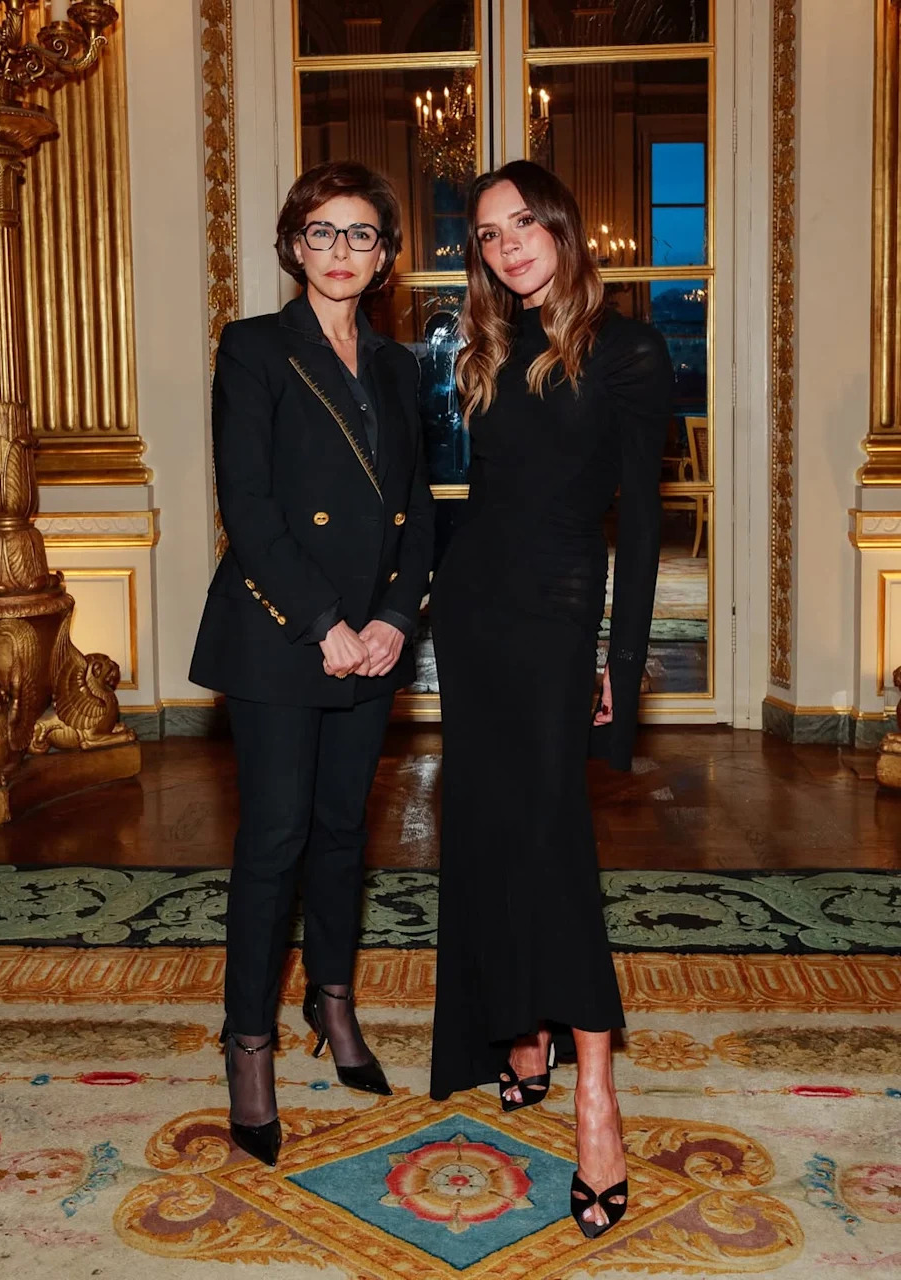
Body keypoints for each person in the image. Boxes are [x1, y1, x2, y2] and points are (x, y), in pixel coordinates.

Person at [429, 160, 673, 1239]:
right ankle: (515, 1029)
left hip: (561, 620)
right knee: (483, 829)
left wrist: (617, 656)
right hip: (473, 617)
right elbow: (483, 498)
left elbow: (644, 524)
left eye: (524, 222)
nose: (508, 243)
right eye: (488, 233)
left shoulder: (627, 348)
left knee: (553, 840)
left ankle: (594, 1096)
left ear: (565, 228)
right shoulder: (486, 348)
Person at [190, 160, 435, 1169]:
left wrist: (391, 617)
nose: (342, 251)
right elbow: (247, 506)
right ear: (295, 247)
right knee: (277, 837)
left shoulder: (397, 367)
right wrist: (326, 620)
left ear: (384, 258)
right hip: (279, 632)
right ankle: (248, 1042)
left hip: (367, 639)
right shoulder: (253, 349)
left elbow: (420, 506)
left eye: (362, 235)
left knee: (343, 833)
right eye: (323, 233)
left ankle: (332, 1001)